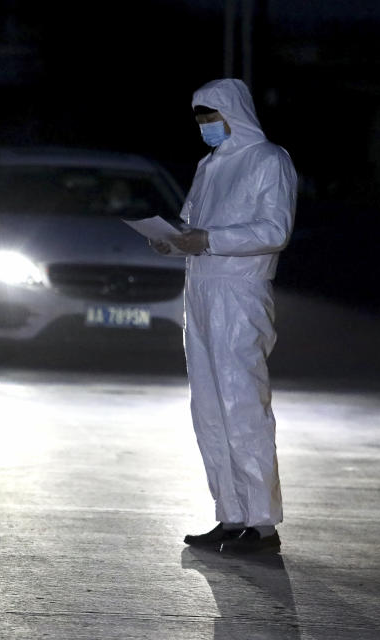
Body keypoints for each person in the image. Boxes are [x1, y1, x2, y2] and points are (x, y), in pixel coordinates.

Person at [152, 78, 297, 554]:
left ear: (234, 112)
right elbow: (192, 225)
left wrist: (210, 240)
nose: (206, 127)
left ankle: (262, 523)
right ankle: (230, 514)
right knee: (209, 409)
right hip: (200, 292)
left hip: (240, 294)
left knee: (242, 405)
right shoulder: (209, 165)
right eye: (200, 119)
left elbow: (274, 229)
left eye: (211, 116)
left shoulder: (269, 160)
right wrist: (172, 240)